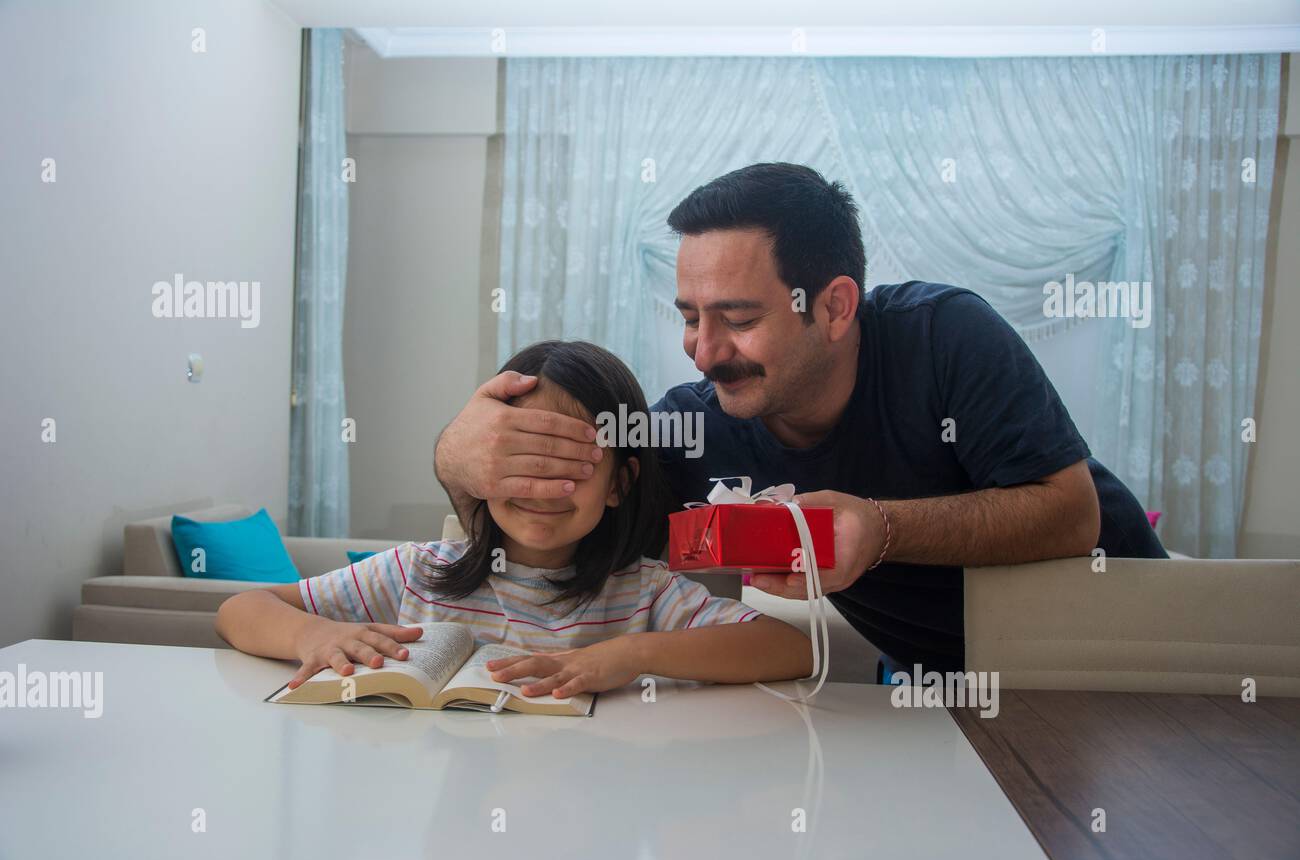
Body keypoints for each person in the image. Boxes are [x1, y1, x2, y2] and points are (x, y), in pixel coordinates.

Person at [434, 163, 1167, 679]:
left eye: (740, 318)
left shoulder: (945, 336)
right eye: (690, 317)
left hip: (1132, 653)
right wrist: (455, 457)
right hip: (944, 690)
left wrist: (882, 530)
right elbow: (568, 511)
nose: (704, 352)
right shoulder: (690, 427)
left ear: (836, 307)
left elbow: (1072, 516)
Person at [216, 339, 812, 699]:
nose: (542, 488)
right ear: (481, 466)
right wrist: (313, 635)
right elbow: (238, 611)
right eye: (522, 461)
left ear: (619, 484)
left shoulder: (641, 593)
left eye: (574, 464)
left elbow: (791, 649)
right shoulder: (419, 571)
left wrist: (631, 656)